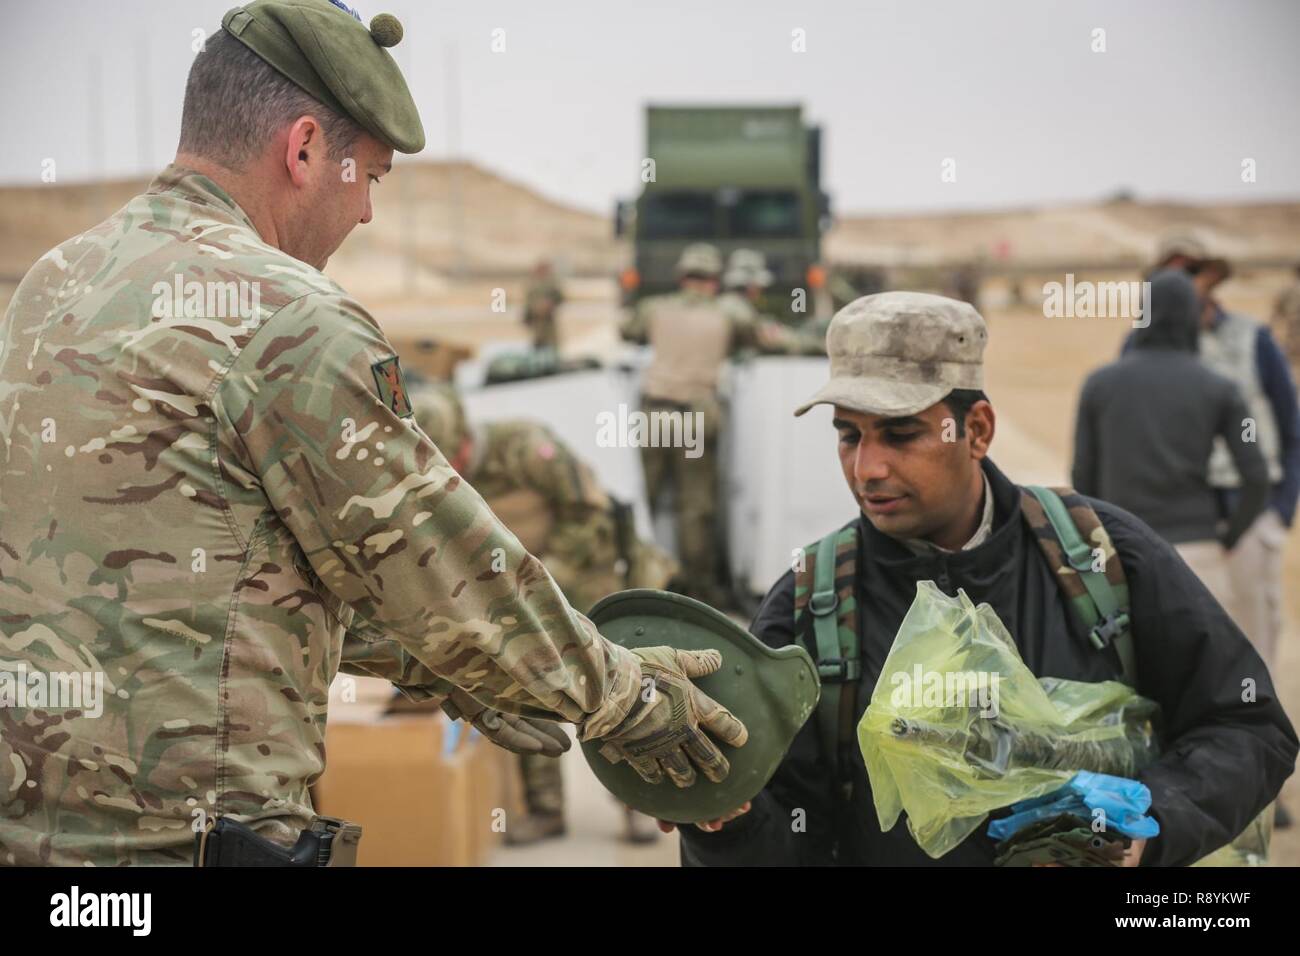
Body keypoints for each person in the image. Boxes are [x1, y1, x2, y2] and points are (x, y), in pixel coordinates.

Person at [0, 0, 745, 867]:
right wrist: (618, 692)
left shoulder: (53, 285)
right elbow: (435, 557)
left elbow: (188, 574)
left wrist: (445, 668)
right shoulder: (288, 317)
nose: (365, 217)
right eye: (372, 179)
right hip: (185, 845)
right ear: (305, 147)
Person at [670, 292, 1296, 866]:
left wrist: (1146, 826)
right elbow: (789, 838)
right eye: (848, 435)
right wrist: (724, 820)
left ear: (977, 431)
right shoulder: (810, 604)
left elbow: (1246, 726)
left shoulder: (1103, 557)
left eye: (899, 432)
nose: (868, 468)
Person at [409, 382, 677, 845]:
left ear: (465, 439)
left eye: (456, 458)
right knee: (521, 688)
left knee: (605, 688)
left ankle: (636, 804)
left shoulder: (525, 447)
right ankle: (545, 809)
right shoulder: (437, 474)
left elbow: (590, 511)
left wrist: (544, 575)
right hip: (515, 593)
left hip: (585, 572)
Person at [1073, 269, 1270, 614]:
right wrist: (1230, 536)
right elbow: (1256, 474)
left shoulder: (1099, 386)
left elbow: (1081, 476)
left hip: (1123, 552)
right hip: (1199, 557)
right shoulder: (1222, 390)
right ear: (1193, 317)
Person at [619, 242, 786, 608]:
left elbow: (628, 332)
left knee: (644, 500)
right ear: (714, 281)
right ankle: (698, 591)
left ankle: (631, 576)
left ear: (682, 277)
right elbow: (762, 341)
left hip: (655, 413)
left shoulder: (654, 308)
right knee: (695, 507)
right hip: (696, 415)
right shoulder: (729, 314)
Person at [522, 260, 564, 352]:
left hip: (548, 319)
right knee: (538, 342)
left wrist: (549, 304)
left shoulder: (551, 283)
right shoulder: (531, 283)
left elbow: (559, 297)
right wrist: (533, 310)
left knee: (552, 343)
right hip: (536, 320)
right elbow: (528, 302)